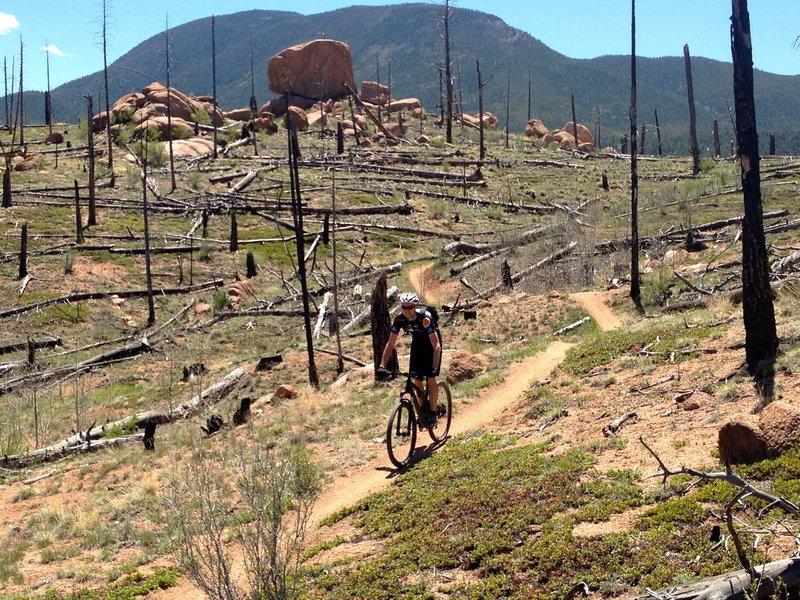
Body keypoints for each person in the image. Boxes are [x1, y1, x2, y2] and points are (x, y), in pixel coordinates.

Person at [378, 292, 442, 427]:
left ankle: (432, 411)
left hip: (431, 345)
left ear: (416, 306)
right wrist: (382, 365)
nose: (406, 311)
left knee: (430, 377)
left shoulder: (425, 318)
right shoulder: (399, 319)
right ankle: (422, 411)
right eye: (404, 307)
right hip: (417, 343)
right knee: (417, 378)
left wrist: (434, 367)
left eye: (410, 307)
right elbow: (390, 344)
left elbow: (436, 345)